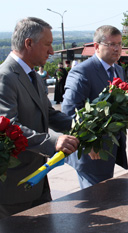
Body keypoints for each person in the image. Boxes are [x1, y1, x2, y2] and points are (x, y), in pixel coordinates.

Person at [0, 17, 79, 219]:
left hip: (38, 179)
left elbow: (48, 113)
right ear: (28, 43)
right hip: (14, 185)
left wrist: (81, 124)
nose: (52, 52)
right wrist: (54, 141)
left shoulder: (32, 75)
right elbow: (9, 127)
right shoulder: (5, 76)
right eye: (47, 44)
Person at [61, 25, 128, 189]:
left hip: (110, 148)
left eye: (119, 44)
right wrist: (87, 143)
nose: (117, 48)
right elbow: (69, 111)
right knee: (96, 198)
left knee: (105, 193)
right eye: (112, 44)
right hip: (91, 151)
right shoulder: (82, 72)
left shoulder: (118, 70)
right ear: (96, 46)